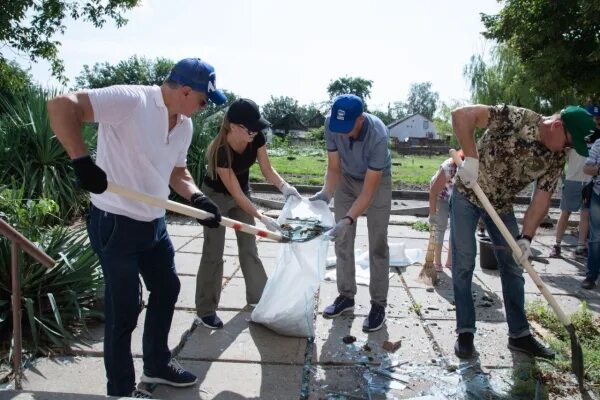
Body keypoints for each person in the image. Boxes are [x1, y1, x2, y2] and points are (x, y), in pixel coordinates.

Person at [47, 58, 225, 398]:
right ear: (186, 90)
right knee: (124, 308)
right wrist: (82, 161)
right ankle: (120, 389)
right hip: (115, 223)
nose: (203, 108)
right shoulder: (132, 100)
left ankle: (157, 365)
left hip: (154, 223)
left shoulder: (183, 124)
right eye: (203, 101)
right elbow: (60, 106)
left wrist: (198, 198)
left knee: (168, 288)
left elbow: (178, 172)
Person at [450, 104, 595, 360]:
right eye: (570, 144)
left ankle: (520, 335)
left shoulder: (556, 157)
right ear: (558, 126)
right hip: (467, 194)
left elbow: (541, 198)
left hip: (500, 204)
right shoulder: (517, 118)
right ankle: (465, 333)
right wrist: (471, 159)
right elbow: (461, 115)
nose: (568, 150)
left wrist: (526, 238)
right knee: (463, 263)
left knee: (514, 267)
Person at [195, 98, 300, 329]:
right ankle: (205, 310)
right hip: (216, 197)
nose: (256, 132)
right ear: (233, 126)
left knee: (249, 247)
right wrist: (262, 218)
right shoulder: (220, 151)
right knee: (213, 251)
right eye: (250, 128)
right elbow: (235, 195)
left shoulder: (256, 137)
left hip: (241, 191)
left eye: (257, 126)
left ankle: (258, 299)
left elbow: (266, 168)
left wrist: (284, 187)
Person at [309, 94, 392, 333]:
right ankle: (346, 296)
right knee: (342, 240)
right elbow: (334, 167)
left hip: (376, 181)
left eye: (347, 127)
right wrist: (326, 193)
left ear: (360, 119)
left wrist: (347, 219)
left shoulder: (378, 135)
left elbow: (367, 193)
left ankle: (378, 305)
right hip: (346, 179)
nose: (342, 133)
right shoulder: (331, 124)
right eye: (339, 127)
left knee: (378, 243)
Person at [549, 148, 591, 258]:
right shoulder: (574, 136)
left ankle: (580, 247)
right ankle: (557, 245)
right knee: (565, 212)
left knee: (585, 214)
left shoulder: (596, 138)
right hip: (572, 179)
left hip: (590, 181)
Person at [428, 150, 463, 271]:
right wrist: (433, 214)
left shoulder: (472, 169)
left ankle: (450, 261)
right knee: (440, 226)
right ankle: (437, 262)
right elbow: (433, 192)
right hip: (440, 195)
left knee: (456, 229)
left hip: (457, 198)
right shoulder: (448, 167)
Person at [581, 137, 600, 289]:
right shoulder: (598, 143)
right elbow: (587, 169)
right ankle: (591, 276)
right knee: (595, 238)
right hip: (598, 195)